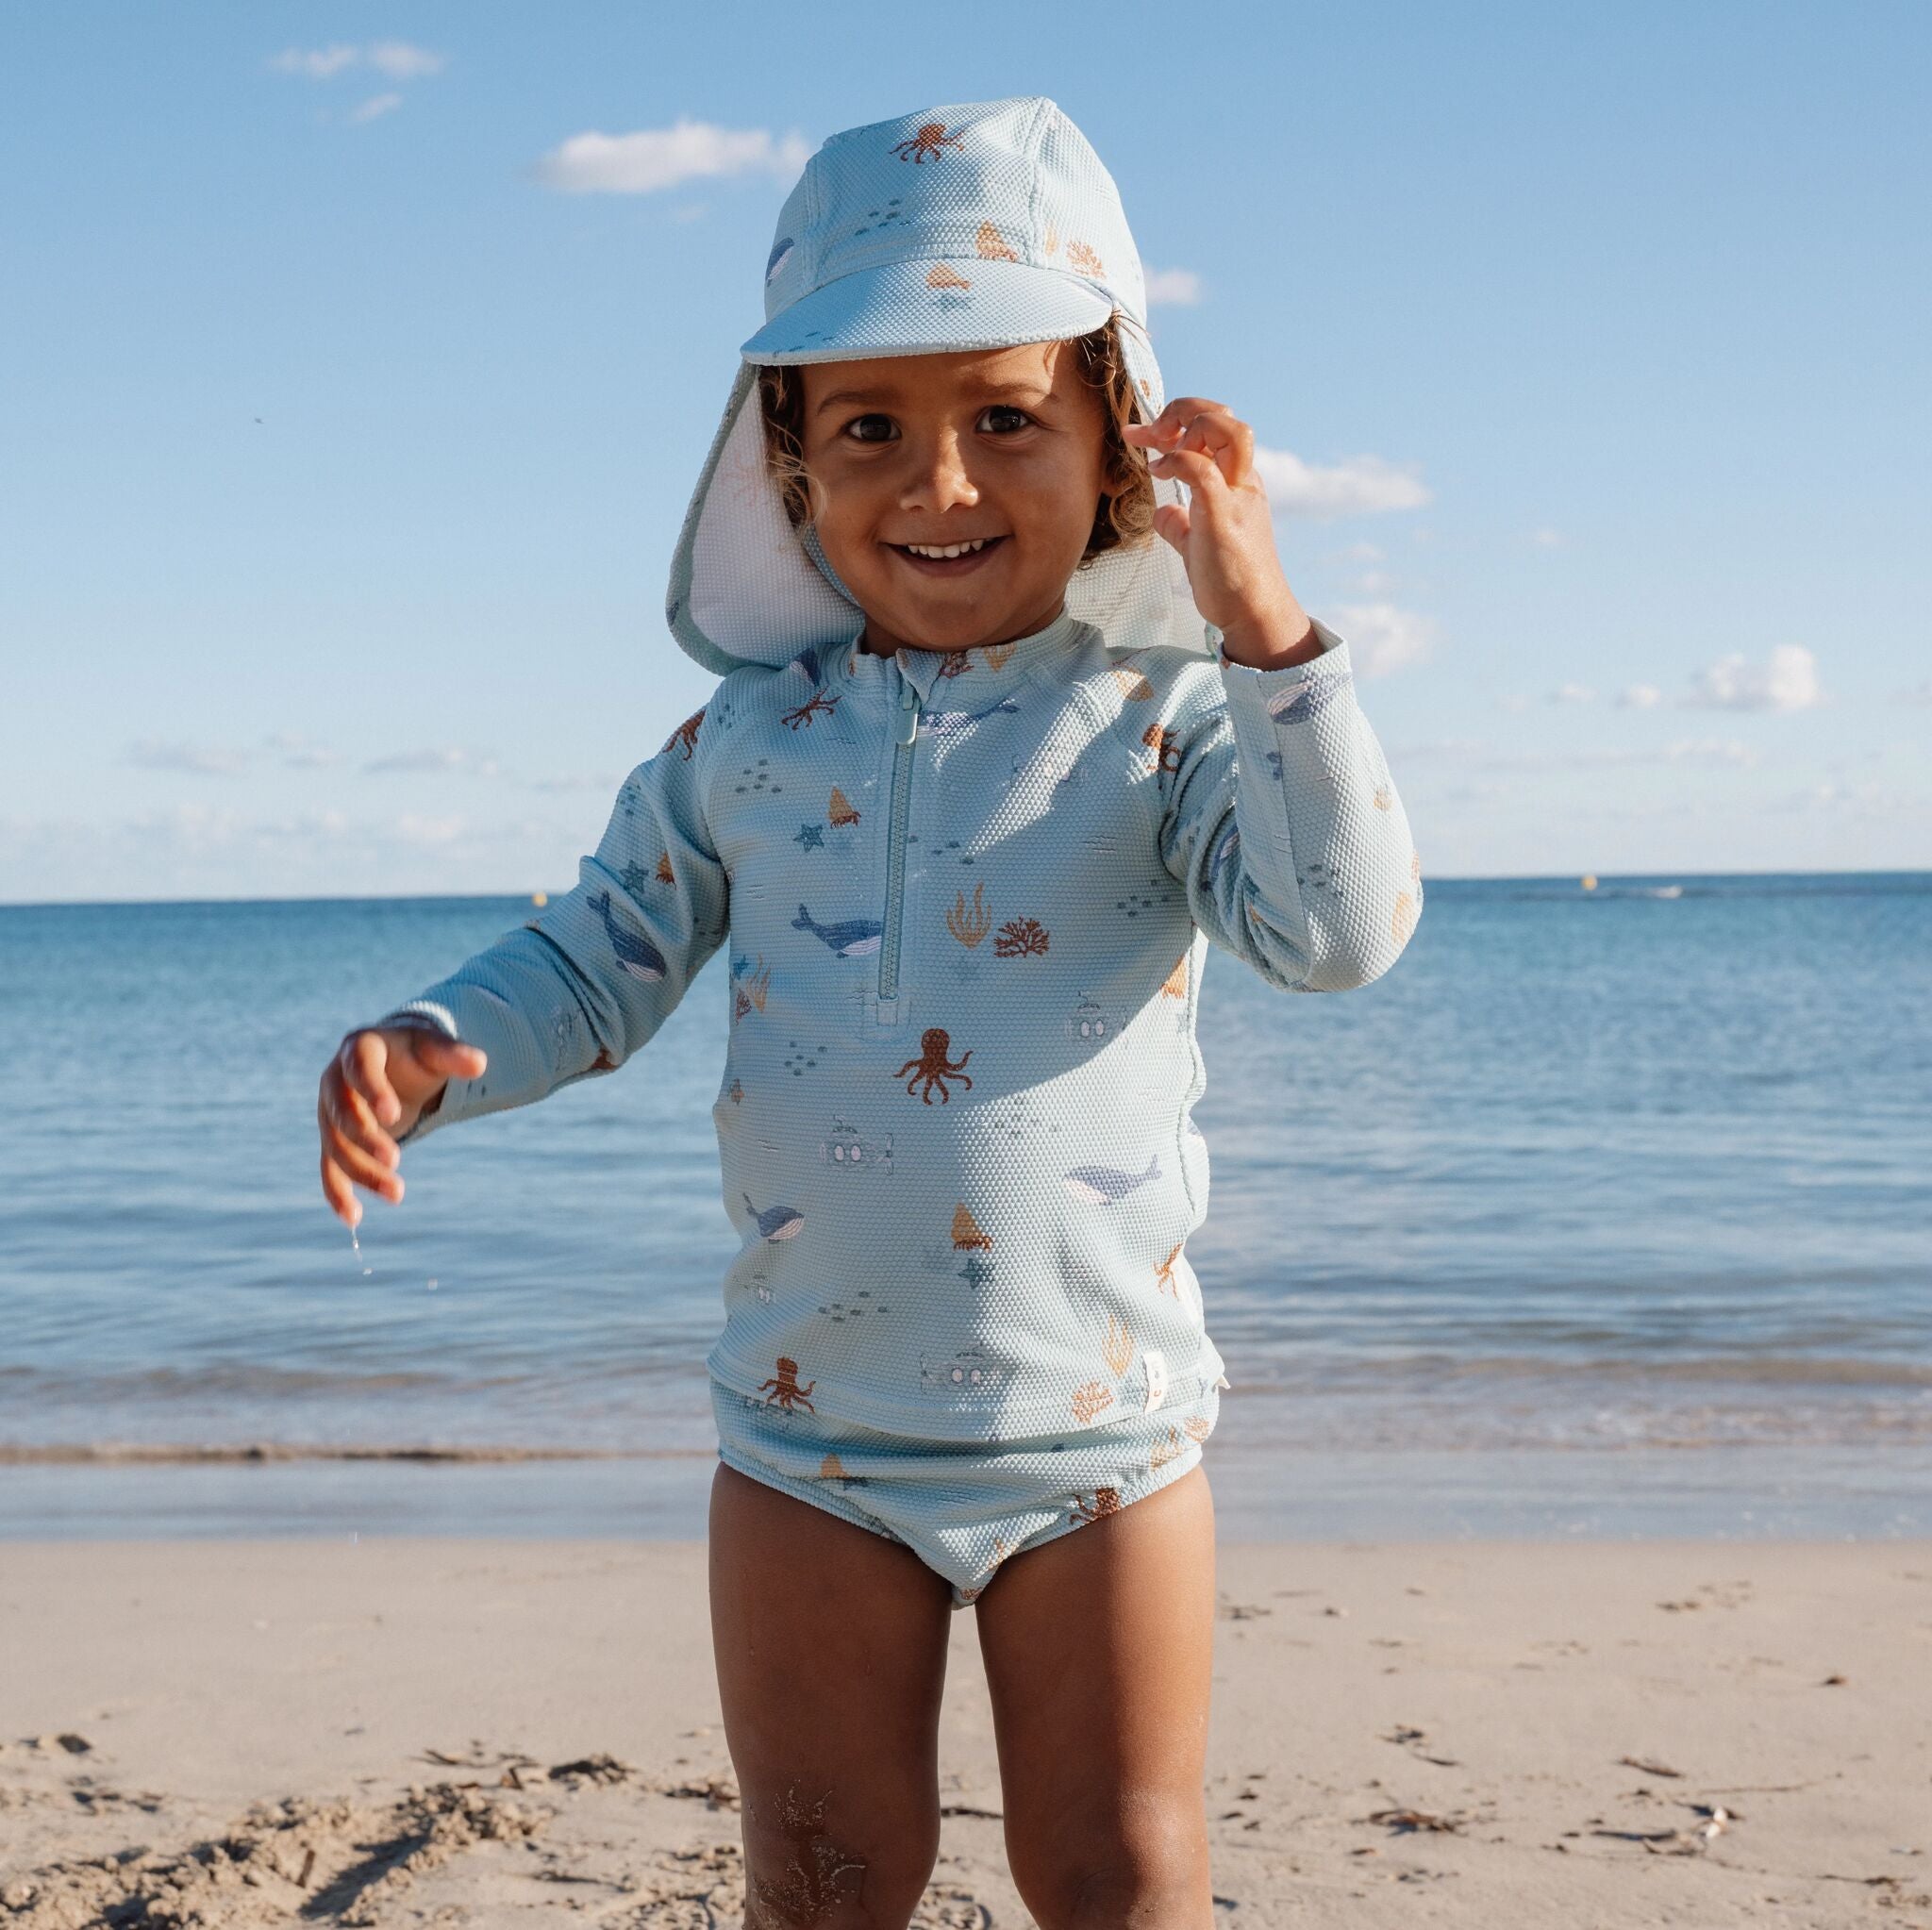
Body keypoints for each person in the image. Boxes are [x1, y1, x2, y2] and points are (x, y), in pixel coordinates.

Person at [317, 94, 1422, 1928]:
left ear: (1120, 449)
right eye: (869, 431)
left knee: (1122, 1875)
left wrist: (1269, 640)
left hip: (1104, 1443)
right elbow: (599, 954)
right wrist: (445, 1040)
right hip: (808, 1441)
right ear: (790, 473)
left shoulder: (1169, 721)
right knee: (822, 1880)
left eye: (1007, 418)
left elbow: (1341, 931)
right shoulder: (745, 744)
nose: (941, 484)